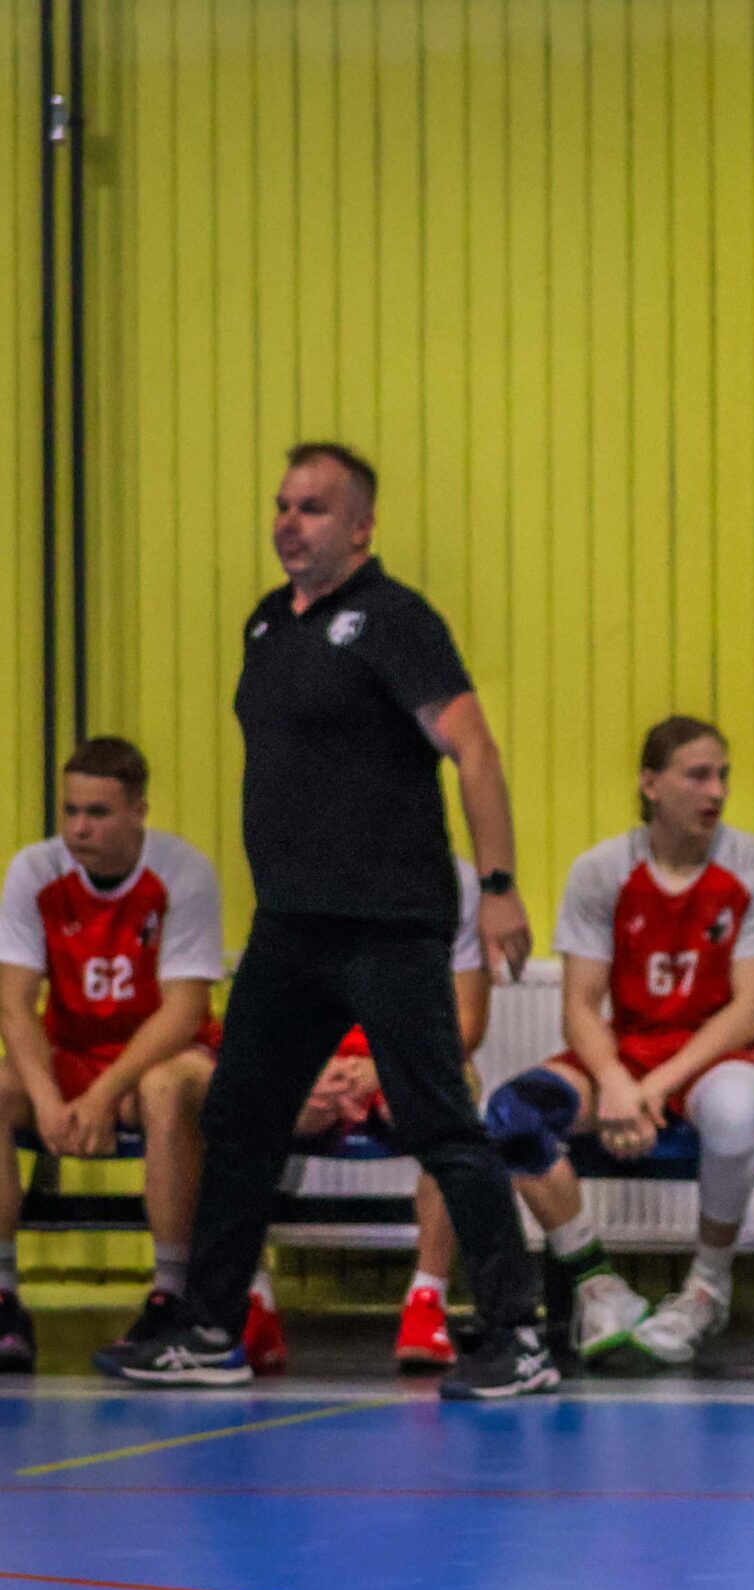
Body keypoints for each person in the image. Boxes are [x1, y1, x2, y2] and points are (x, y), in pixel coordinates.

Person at [96, 442, 552, 1399]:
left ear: (360, 527)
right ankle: (212, 1327)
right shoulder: (267, 623)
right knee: (239, 1114)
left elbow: (473, 748)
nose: (288, 523)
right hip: (291, 927)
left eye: (311, 508)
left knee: (439, 1120)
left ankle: (518, 1332)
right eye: (281, 505)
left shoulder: (396, 620)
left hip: (388, 924)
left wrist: (500, 883)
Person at [473, 716, 754, 1368]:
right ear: (650, 784)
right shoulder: (601, 871)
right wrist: (616, 1080)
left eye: (723, 776)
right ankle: (599, 1286)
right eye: (697, 775)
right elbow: (579, 1006)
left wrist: (647, 1090)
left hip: (723, 1056)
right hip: (631, 1051)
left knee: (734, 1115)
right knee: (511, 1113)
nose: (716, 791)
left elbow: (749, 1010)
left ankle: (707, 1287)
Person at [0, 739, 224, 1374]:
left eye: (97, 813)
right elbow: (14, 1002)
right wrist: (49, 1101)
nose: (78, 828)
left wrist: (101, 1096)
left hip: (163, 1054)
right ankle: (4, 1297)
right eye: (70, 811)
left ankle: (171, 1295)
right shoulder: (34, 871)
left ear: (138, 812)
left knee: (164, 1090)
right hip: (72, 1053)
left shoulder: (182, 873)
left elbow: (184, 1010)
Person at [276, 858, 491, 1373]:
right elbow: (275, 1002)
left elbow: (467, 1021)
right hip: (323, 1058)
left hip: (409, 1056)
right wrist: (309, 1066)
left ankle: (427, 1300)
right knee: (244, 1102)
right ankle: (246, 1298)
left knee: (454, 1097)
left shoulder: (456, 881)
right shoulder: (294, 869)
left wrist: (387, 1065)